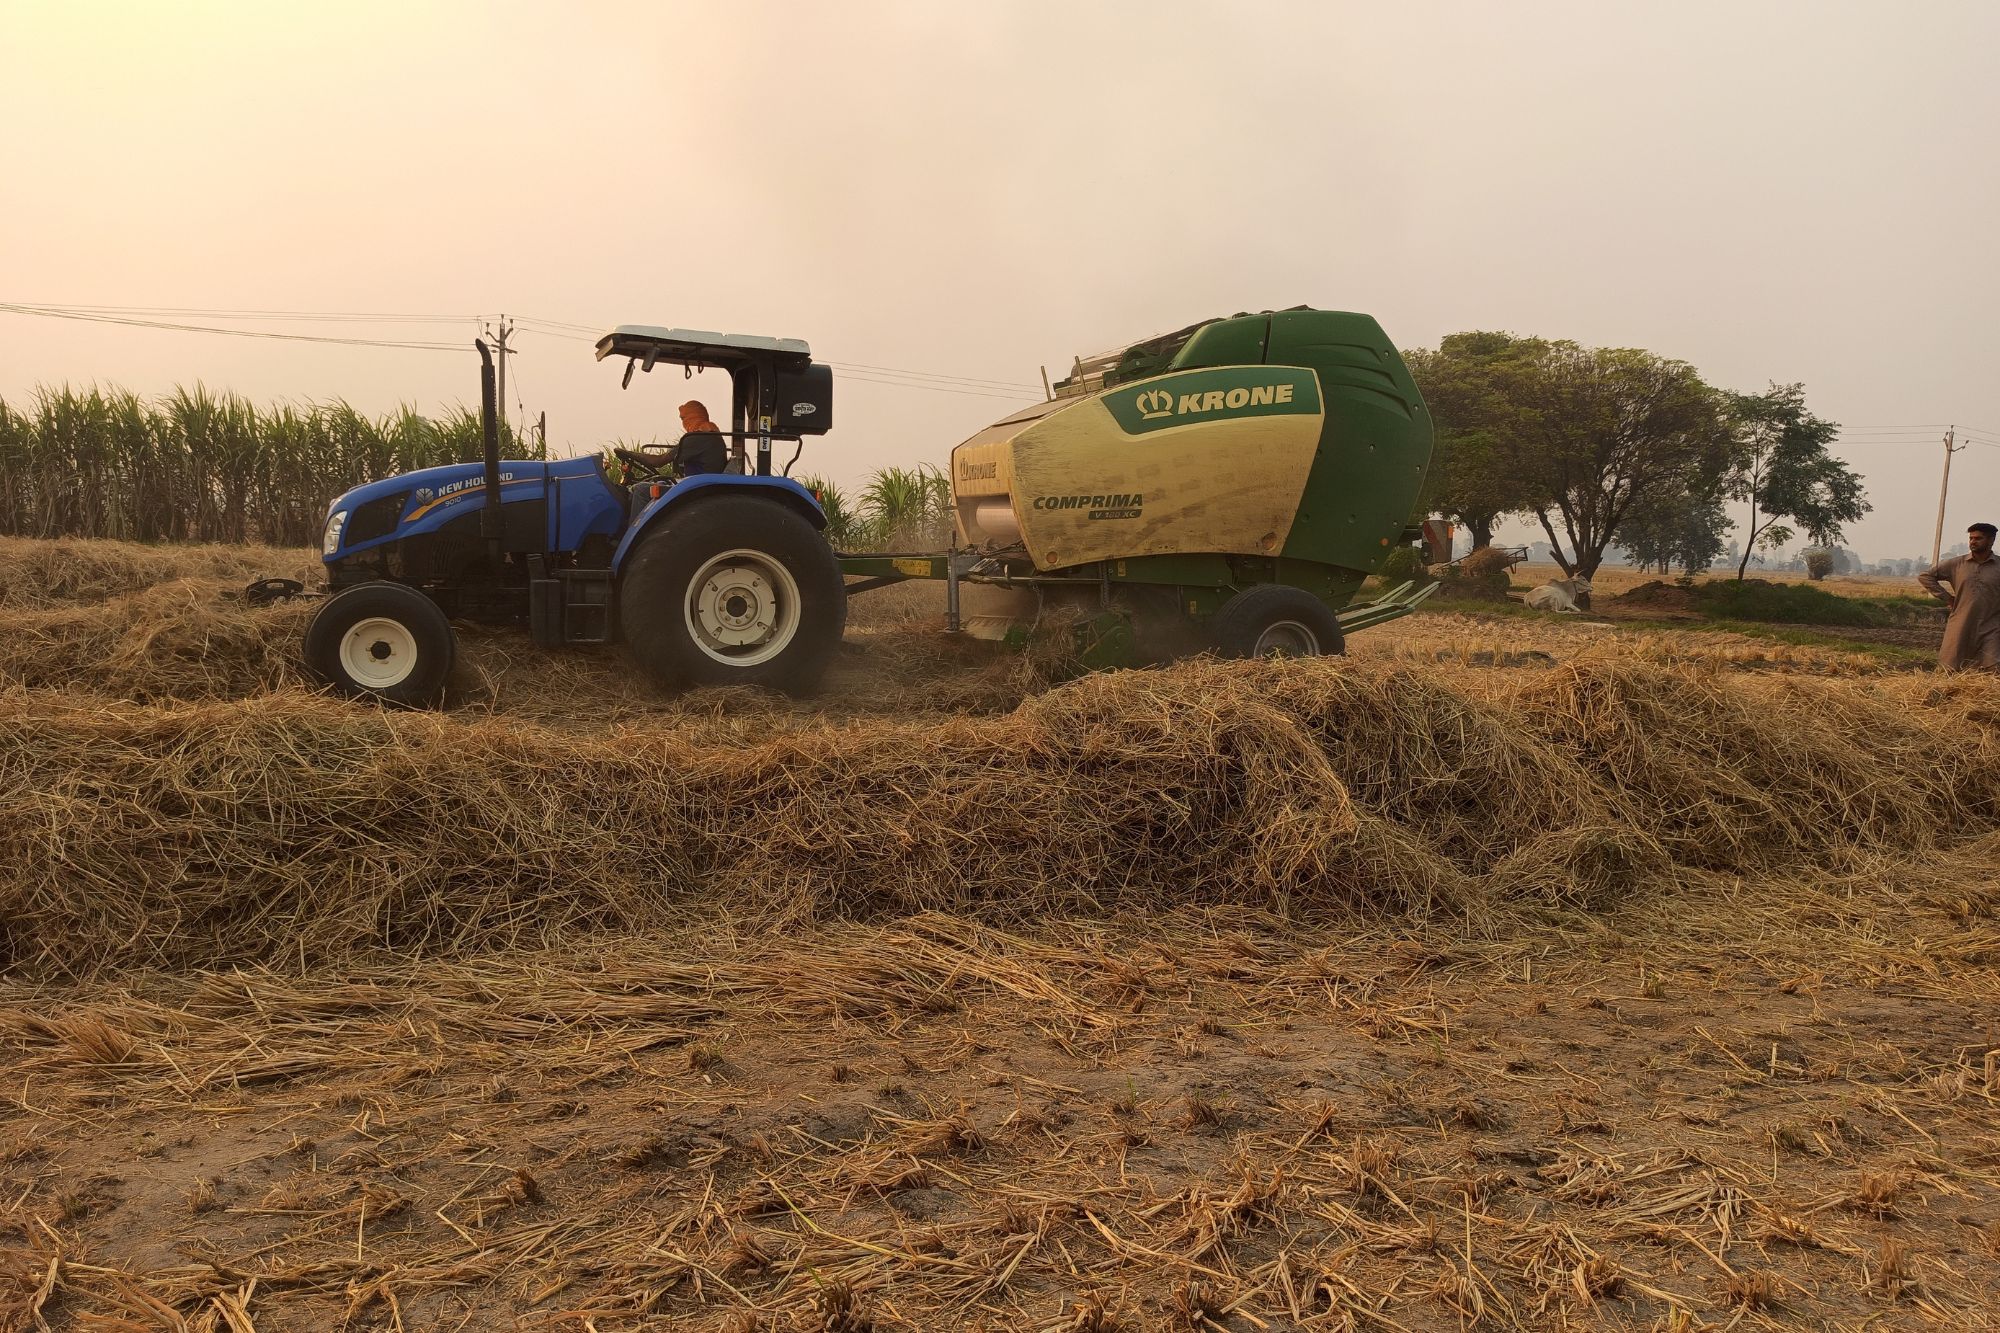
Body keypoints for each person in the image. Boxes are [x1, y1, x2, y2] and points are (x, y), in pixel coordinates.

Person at [1917, 522, 2000, 671]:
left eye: (1978, 538)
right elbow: (1925, 576)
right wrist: (1948, 598)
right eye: (1971, 538)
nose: (1973, 542)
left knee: (1993, 668)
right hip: (1961, 622)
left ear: (1991, 540)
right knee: (1949, 667)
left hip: (1992, 625)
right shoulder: (1957, 564)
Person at [663, 400, 727, 477]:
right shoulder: (712, 434)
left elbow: (660, 461)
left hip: (700, 484)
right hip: (705, 481)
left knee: (646, 487)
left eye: (684, 418)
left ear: (693, 417)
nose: (684, 423)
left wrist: (644, 458)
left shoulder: (697, 438)